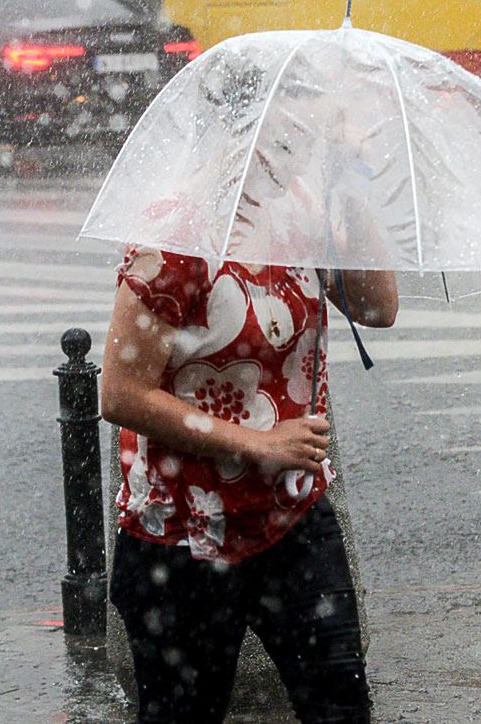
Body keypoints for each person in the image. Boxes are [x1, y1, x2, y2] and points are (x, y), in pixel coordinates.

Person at [101, 238, 397, 724]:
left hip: (293, 518)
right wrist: (260, 444)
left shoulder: (299, 218)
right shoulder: (176, 238)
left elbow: (379, 308)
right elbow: (120, 393)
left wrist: (350, 187)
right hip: (184, 533)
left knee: (341, 708)